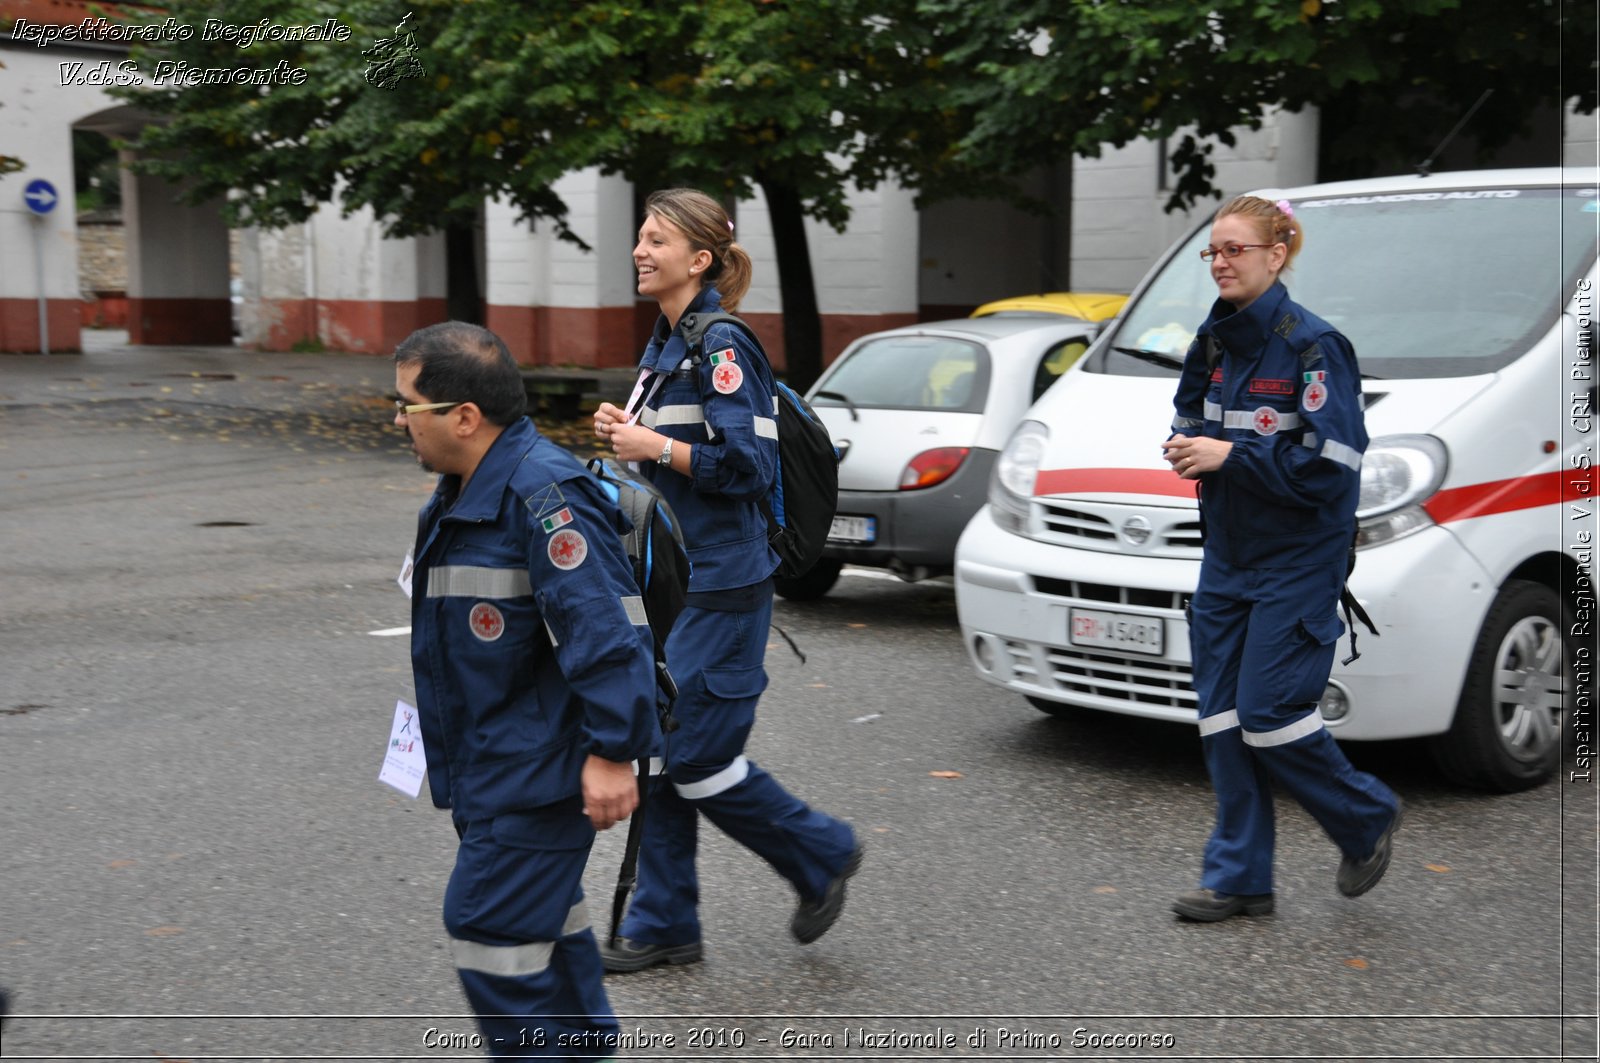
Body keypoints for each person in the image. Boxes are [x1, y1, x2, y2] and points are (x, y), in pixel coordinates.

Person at [591, 188, 861, 971]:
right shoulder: (668, 342)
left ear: (699, 259)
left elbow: (747, 466)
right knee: (666, 753)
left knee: (697, 756)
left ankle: (823, 850)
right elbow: (670, 452)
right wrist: (630, 433)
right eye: (639, 238)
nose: (640, 251)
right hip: (676, 585)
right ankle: (665, 921)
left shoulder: (721, 344)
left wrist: (651, 444)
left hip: (724, 583)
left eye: (656, 240)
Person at [394, 322, 658, 1056]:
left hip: (539, 772)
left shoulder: (544, 496)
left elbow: (605, 630)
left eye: (407, 405)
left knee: (489, 929)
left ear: (464, 417)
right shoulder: (457, 497)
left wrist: (614, 751)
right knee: (547, 927)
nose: (396, 420)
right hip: (494, 761)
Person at [1161, 195, 1403, 922]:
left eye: (1236, 249)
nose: (1221, 262)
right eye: (1213, 251)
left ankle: (1366, 815)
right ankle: (1240, 879)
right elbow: (1188, 420)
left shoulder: (1314, 346)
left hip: (1299, 558)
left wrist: (1229, 456)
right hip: (1228, 558)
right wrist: (1186, 448)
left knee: (1268, 712)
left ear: (1277, 254)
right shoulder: (1212, 341)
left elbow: (1333, 468)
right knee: (1223, 719)